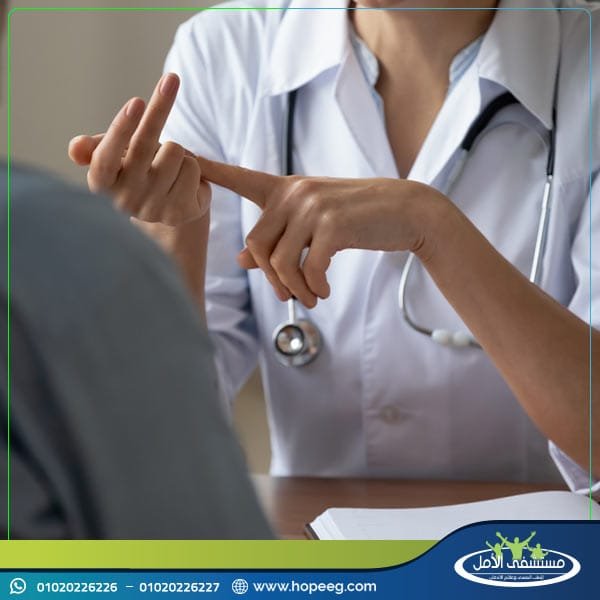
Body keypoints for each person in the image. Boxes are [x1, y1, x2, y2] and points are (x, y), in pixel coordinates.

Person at [69, 0, 599, 492]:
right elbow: (160, 440)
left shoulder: (587, 59)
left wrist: (433, 226)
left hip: (530, 549)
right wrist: (170, 232)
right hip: (313, 544)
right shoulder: (227, 49)